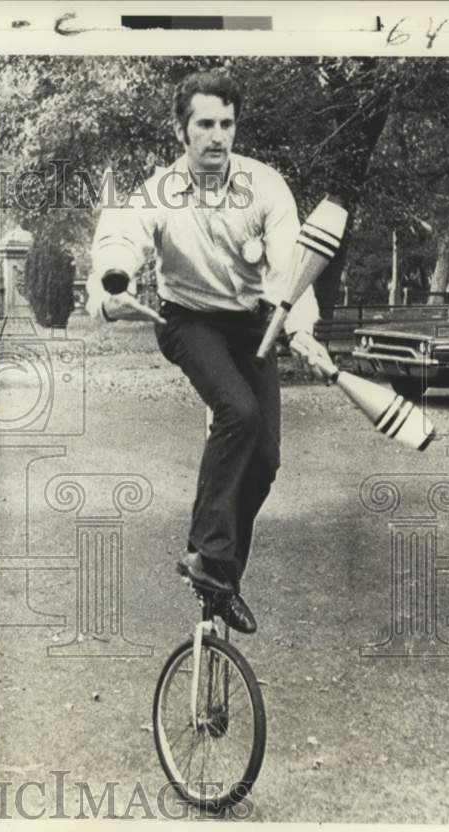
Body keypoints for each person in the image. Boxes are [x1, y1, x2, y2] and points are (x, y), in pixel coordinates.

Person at [90, 70, 333, 634]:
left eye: (226, 123)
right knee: (238, 413)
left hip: (253, 325)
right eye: (204, 124)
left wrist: (304, 332)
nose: (217, 136)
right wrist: (115, 280)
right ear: (183, 131)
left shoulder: (267, 186)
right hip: (188, 320)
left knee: (266, 460)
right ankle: (204, 551)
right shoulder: (159, 191)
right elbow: (121, 238)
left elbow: (291, 271)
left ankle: (221, 576)